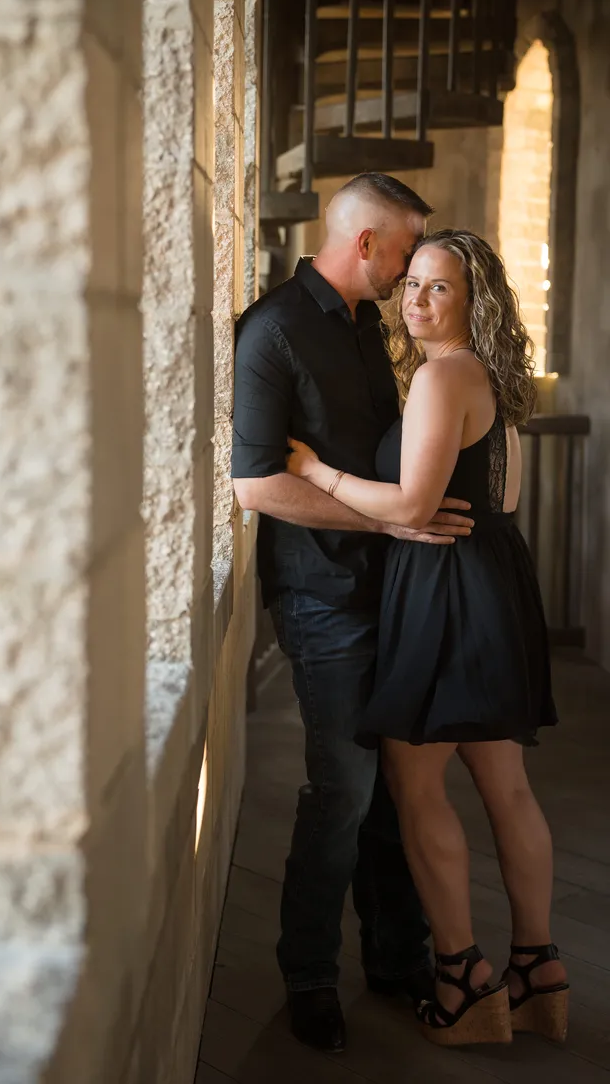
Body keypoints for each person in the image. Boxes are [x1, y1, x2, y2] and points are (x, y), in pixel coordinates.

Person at [287, 229, 568, 1048]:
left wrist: (315, 473)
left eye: (439, 288)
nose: (416, 301)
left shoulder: (445, 375)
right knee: (506, 787)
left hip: (448, 591)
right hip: (491, 583)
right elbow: (493, 498)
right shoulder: (489, 377)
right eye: (411, 284)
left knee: (416, 789)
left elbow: (411, 509)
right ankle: (538, 972)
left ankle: (462, 981)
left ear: (474, 301)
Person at [231, 173, 475, 1053]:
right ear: (367, 243)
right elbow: (259, 484)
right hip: (322, 596)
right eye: (408, 251)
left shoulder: (369, 323)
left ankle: (396, 955)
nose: (413, 270)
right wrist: (397, 522)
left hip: (396, 592)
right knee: (343, 791)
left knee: (398, 791)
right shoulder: (272, 331)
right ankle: (308, 975)